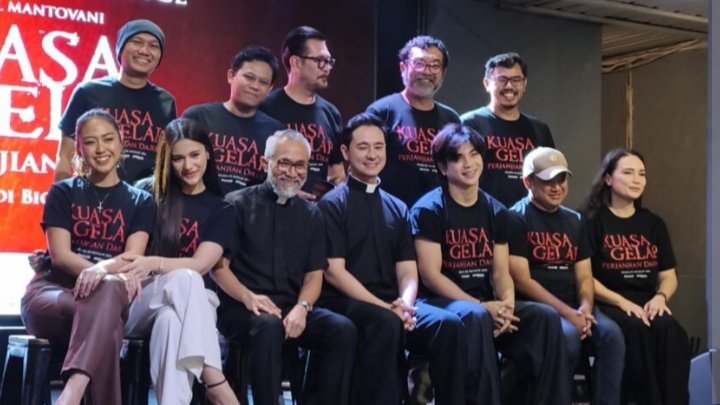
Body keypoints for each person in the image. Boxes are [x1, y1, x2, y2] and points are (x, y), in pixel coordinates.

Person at [410, 124, 569, 405]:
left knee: (544, 318)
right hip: (438, 302)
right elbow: (431, 276)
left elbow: (500, 272)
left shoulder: (497, 211)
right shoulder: (428, 210)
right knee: (476, 316)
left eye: (474, 154)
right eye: (458, 158)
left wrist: (506, 305)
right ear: (443, 167)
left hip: (485, 303)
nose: (468, 163)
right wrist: (482, 306)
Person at [318, 113, 465, 405]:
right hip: (344, 302)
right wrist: (387, 308)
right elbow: (334, 272)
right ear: (346, 152)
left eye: (378, 146)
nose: (372, 155)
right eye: (363, 147)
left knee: (448, 324)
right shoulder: (331, 205)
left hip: (394, 304)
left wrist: (406, 305)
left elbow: (408, 272)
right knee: (385, 322)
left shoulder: (397, 207)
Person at [21, 109, 155, 405]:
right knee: (108, 319)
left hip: (105, 299)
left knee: (106, 304)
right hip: (53, 293)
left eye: (108, 139)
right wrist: (104, 273)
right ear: (79, 149)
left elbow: (132, 257)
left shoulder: (141, 201)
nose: (101, 149)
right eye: (91, 142)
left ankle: (71, 393)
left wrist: (104, 273)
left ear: (121, 142)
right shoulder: (63, 192)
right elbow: (61, 257)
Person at [213, 129, 356, 405]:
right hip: (242, 308)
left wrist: (302, 308)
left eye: (300, 165)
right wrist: (248, 297)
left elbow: (314, 276)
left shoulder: (311, 214)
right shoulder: (236, 204)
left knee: (342, 329)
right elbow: (219, 268)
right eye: (284, 163)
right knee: (269, 326)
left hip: (291, 308)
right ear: (265, 163)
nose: (293, 172)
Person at [115, 119, 239, 405]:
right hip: (141, 298)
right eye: (178, 158)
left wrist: (154, 262)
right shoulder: (147, 195)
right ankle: (215, 381)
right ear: (166, 161)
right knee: (186, 279)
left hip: (190, 305)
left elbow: (202, 264)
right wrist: (149, 268)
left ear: (208, 153)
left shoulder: (222, 209)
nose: (188, 166)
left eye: (194, 155)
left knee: (170, 321)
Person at [507, 147, 625, 404]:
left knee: (611, 336)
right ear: (528, 182)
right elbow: (522, 280)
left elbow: (584, 276)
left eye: (561, 179)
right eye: (548, 180)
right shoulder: (515, 218)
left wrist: (585, 308)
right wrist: (569, 314)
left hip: (574, 306)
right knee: (568, 337)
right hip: (538, 308)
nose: (557, 187)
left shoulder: (575, 220)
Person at [580, 148, 690, 405]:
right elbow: (585, 277)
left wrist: (661, 297)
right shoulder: (591, 222)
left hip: (648, 301)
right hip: (609, 302)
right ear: (608, 179)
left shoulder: (654, 224)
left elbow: (668, 275)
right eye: (628, 173)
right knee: (636, 330)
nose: (637, 180)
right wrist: (622, 302)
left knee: (671, 332)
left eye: (642, 174)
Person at [55, 19, 176, 183]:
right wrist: (62, 193)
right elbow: (65, 155)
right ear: (120, 48)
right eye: (136, 42)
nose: (144, 50)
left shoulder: (166, 102)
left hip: (147, 197)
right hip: (93, 193)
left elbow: (167, 161)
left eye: (154, 46)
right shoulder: (88, 92)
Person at [367, 35, 460, 207]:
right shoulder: (382, 112)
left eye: (435, 65)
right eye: (419, 63)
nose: (427, 71)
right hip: (389, 211)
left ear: (443, 73)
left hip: (438, 214)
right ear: (403, 67)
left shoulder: (451, 119)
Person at [183, 45, 284, 195]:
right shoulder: (197, 117)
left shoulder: (276, 132)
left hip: (250, 209)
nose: (255, 86)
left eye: (263, 82)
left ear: (270, 89)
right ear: (231, 76)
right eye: (249, 77)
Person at [260, 26, 345, 200]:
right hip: (276, 207)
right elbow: (256, 169)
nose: (327, 68)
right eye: (320, 60)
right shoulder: (267, 108)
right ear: (296, 63)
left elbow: (336, 172)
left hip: (318, 210)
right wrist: (288, 194)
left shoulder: (331, 113)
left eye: (329, 61)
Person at [461, 52, 554, 207]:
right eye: (501, 80)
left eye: (516, 80)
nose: (509, 86)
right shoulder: (469, 124)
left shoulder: (539, 129)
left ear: (524, 84)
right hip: (483, 215)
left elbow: (550, 178)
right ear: (487, 84)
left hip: (528, 217)